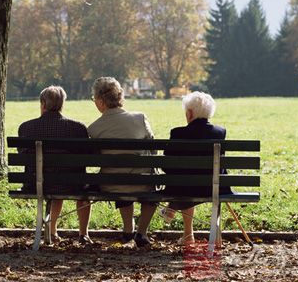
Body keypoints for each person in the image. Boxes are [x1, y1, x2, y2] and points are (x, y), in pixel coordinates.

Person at [18, 85, 93, 245]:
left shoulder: (26, 127)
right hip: (72, 184)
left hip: (36, 184)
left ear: (43, 104)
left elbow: (22, 153)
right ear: (62, 104)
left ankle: (52, 232)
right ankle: (83, 234)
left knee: (53, 179)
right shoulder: (77, 128)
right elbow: (86, 156)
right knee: (76, 183)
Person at [88, 76, 157, 247]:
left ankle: (128, 231)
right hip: (143, 183)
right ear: (120, 96)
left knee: (118, 173)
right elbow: (153, 148)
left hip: (110, 184)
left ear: (101, 102)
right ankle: (141, 233)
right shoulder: (140, 118)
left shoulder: (94, 128)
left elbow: (93, 157)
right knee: (148, 180)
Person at [161, 91, 229, 245]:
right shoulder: (220, 132)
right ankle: (212, 236)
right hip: (214, 187)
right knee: (193, 178)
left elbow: (166, 165)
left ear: (190, 113)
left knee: (184, 179)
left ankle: (183, 228)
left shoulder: (177, 133)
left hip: (183, 187)